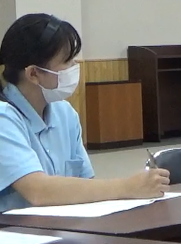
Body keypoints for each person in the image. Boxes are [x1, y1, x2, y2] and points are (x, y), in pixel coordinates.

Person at [0, 13, 169, 213]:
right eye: (67, 61)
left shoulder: (65, 113)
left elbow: (86, 183)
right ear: (34, 74)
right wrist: (127, 187)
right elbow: (38, 191)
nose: (75, 67)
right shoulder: (4, 118)